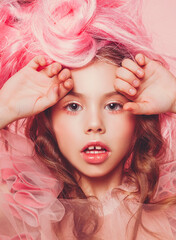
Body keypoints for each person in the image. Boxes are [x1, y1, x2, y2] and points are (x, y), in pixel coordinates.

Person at [0, 0, 176, 239]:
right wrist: (5, 107)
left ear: (138, 118)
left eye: (113, 105)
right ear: (49, 120)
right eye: (73, 106)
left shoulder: (169, 217)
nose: (94, 124)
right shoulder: (22, 216)